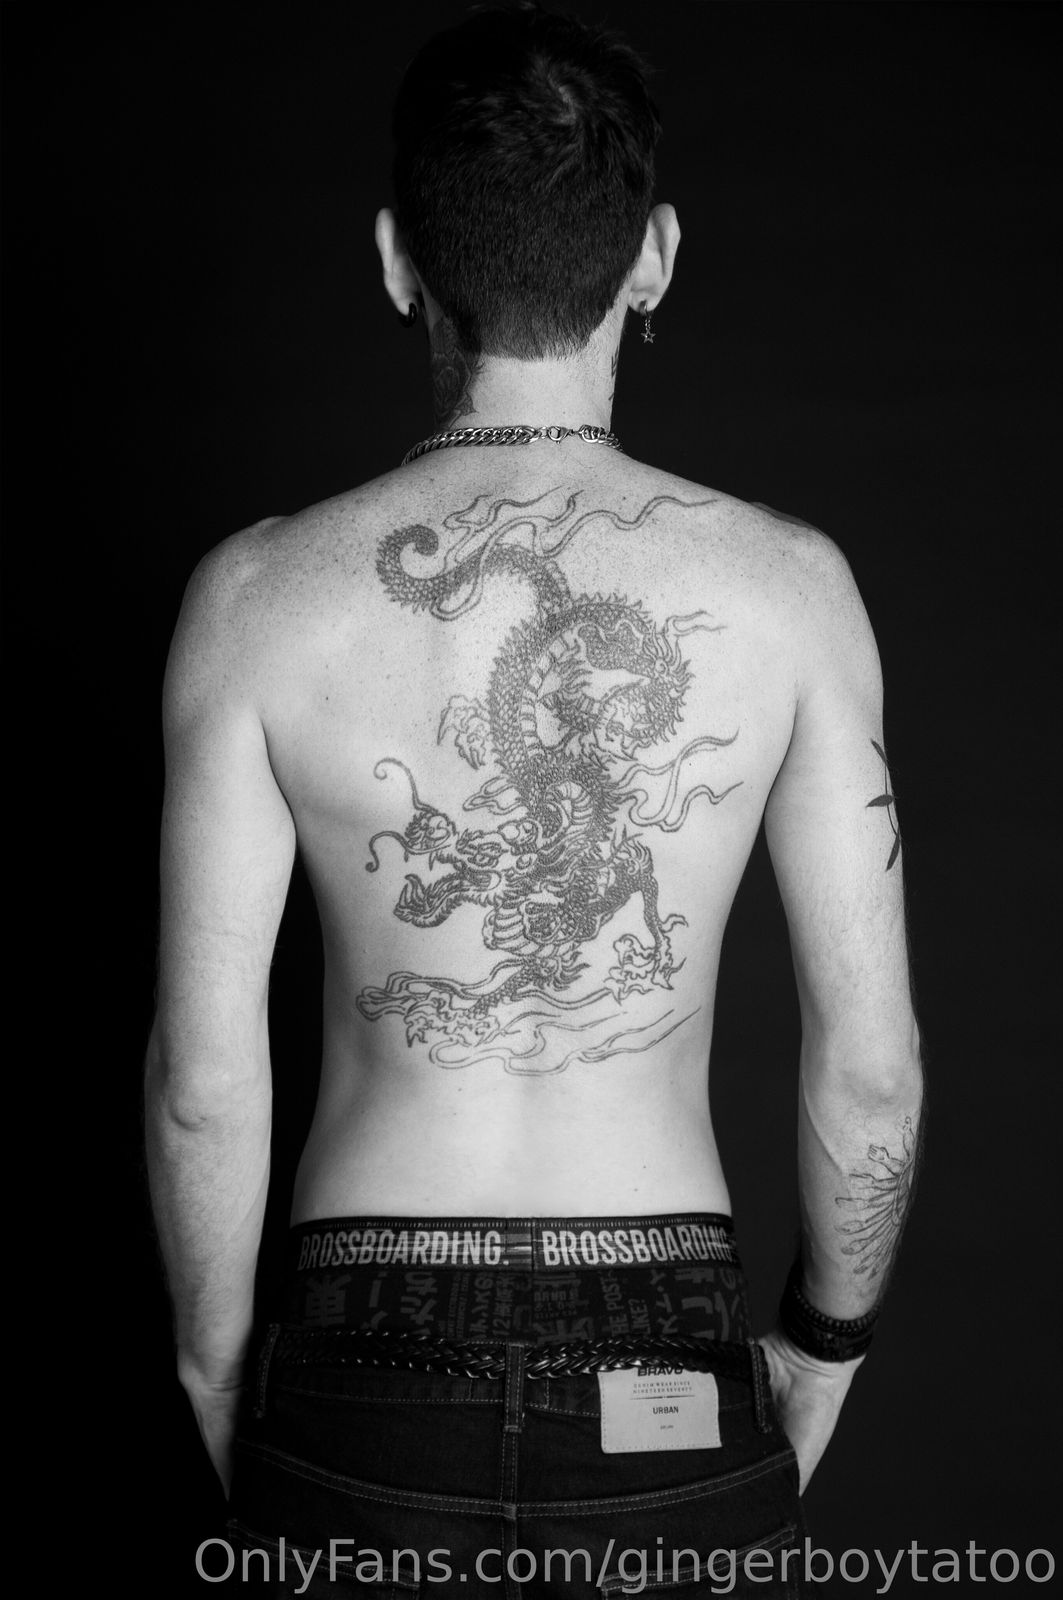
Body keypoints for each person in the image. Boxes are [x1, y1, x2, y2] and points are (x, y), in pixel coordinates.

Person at [145, 4, 923, 1593]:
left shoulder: (255, 601)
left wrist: (219, 1371)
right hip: (667, 1364)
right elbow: (873, 1073)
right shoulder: (792, 592)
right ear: (655, 257)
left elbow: (201, 1086)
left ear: (396, 260)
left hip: (360, 1375)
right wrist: (822, 1349)